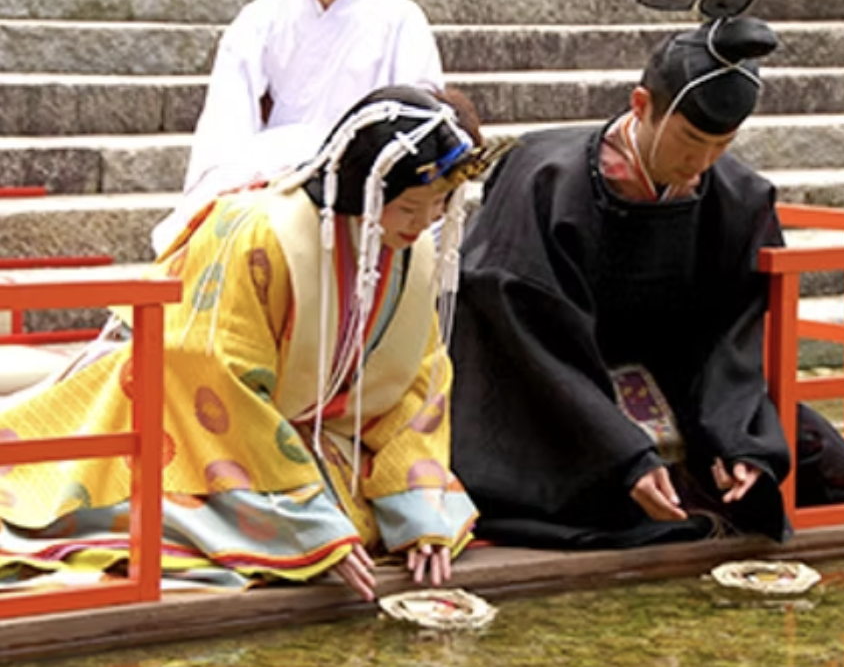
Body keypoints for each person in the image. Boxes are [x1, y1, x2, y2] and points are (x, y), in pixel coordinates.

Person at [0, 86, 504, 600]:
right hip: (184, 415)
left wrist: (415, 506)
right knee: (150, 518)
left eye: (439, 206)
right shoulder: (259, 230)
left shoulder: (409, 252)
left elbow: (418, 383)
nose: (423, 226)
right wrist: (307, 519)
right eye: (410, 208)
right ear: (363, 187)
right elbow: (213, 371)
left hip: (305, 431)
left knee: (373, 525)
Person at [448, 16, 844, 549]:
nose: (702, 162)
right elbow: (520, 322)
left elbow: (734, 332)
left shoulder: (738, 196)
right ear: (641, 105)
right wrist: (622, 452)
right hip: (553, 388)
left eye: (722, 144)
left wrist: (739, 441)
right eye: (691, 139)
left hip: (676, 385)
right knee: (605, 501)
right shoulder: (545, 176)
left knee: (827, 474)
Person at [151, 0, 444, 254]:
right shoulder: (261, 17)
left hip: (368, 184)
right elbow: (226, 121)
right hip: (275, 187)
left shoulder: (401, 19)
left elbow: (419, 121)